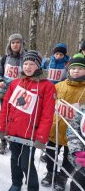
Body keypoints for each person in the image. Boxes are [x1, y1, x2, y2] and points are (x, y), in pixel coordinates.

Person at [0, 50, 56, 191]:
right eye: (26, 63)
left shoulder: (47, 86)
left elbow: (47, 115)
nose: (28, 67)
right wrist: (0, 128)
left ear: (38, 66)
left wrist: (41, 137)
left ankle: (32, 187)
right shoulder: (15, 83)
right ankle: (16, 184)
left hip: (31, 134)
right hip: (14, 131)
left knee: (26, 163)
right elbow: (6, 107)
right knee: (14, 161)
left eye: (32, 64)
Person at [41, 53, 85, 191]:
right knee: (49, 153)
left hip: (74, 136)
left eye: (79, 68)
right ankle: (50, 173)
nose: (75, 71)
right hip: (55, 129)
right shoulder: (59, 85)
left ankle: (62, 177)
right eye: (73, 68)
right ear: (68, 69)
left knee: (68, 158)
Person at [0, 33, 26, 154]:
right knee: (4, 117)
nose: (15, 45)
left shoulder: (26, 58)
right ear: (10, 44)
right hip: (5, 93)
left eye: (18, 42)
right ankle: (3, 141)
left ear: (21, 44)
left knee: (17, 118)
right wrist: (0, 80)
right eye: (13, 42)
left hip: (20, 94)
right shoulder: (4, 58)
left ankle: (15, 141)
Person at [67, 105, 85, 191]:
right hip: (83, 168)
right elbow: (73, 129)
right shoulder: (83, 110)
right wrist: (77, 151)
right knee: (75, 185)